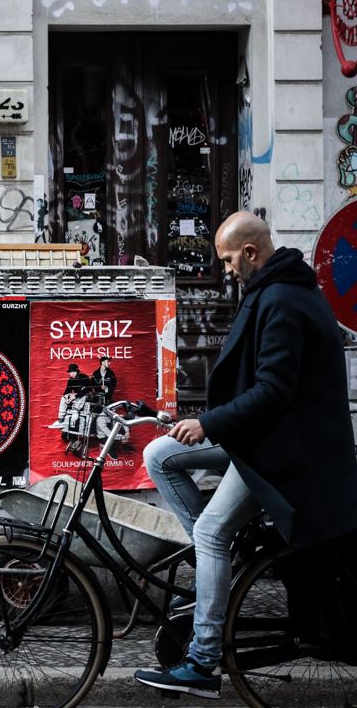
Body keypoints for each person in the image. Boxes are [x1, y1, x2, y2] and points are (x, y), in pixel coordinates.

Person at [135, 212, 357, 699]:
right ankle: (224, 569)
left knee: (212, 530)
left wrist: (208, 423)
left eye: (229, 259)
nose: (227, 269)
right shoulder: (276, 288)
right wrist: (199, 422)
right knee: (160, 454)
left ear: (251, 252)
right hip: (261, 436)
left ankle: (201, 661)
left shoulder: (281, 300)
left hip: (283, 450)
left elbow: (274, 393)